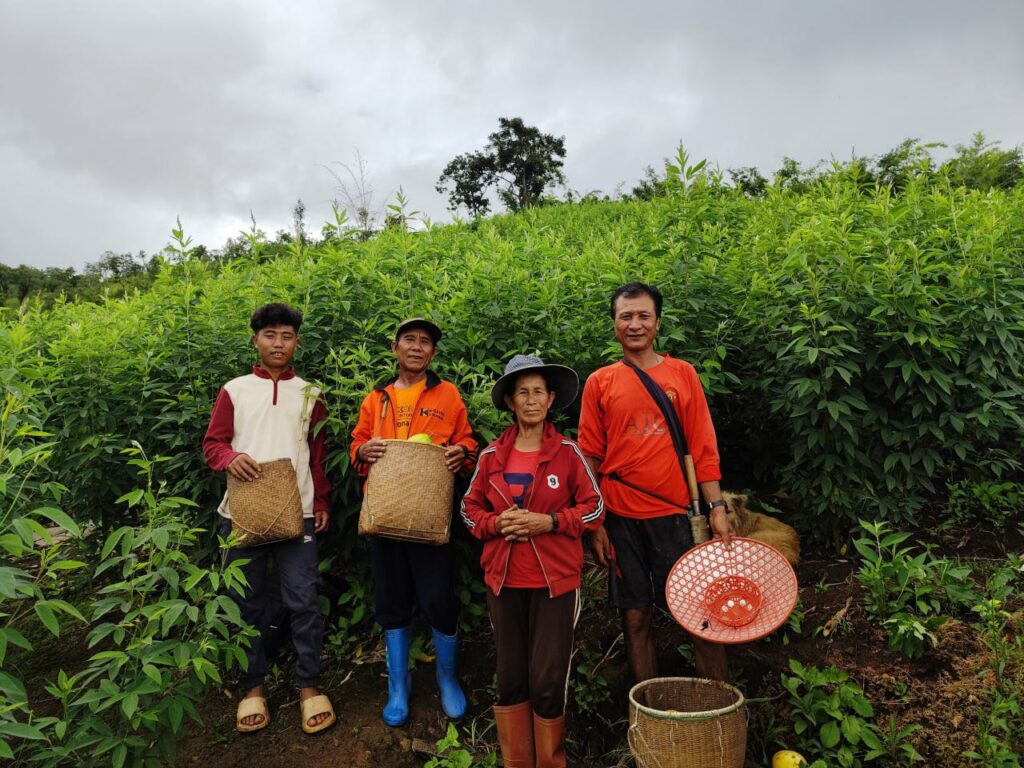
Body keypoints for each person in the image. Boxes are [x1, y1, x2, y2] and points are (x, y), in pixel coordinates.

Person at [577, 282, 734, 683]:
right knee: (635, 615)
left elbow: (703, 447)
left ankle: (716, 701)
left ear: (658, 323)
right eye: (626, 316)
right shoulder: (600, 381)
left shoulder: (682, 374)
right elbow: (589, 457)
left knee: (699, 613)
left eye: (644, 316)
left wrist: (717, 508)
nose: (635, 324)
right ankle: (645, 705)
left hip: (677, 515)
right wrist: (594, 524)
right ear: (614, 324)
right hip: (620, 517)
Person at [461, 355, 604, 768]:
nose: (530, 399)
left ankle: (550, 761)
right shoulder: (491, 456)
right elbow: (469, 510)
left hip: (555, 583)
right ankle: (517, 762)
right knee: (510, 678)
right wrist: (495, 523)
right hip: (504, 581)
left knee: (547, 680)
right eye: (522, 392)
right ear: (510, 402)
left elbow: (594, 508)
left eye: (538, 391)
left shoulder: (568, 453)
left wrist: (550, 521)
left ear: (551, 399)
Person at [203, 302, 335, 735]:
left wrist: (322, 501)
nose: (279, 343)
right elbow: (213, 444)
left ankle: (309, 685)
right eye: (270, 335)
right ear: (255, 340)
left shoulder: (311, 393)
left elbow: (318, 454)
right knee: (247, 600)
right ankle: (253, 686)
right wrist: (230, 457)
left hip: (299, 512)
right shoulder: (235, 390)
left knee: (304, 598)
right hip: (242, 513)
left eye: (287, 336)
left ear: (297, 342)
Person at [350, 318, 477, 726]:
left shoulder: (448, 394)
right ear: (395, 348)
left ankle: (447, 678)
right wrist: (362, 450)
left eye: (425, 342)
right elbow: (357, 443)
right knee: (391, 599)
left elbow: (468, 441)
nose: (417, 347)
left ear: (433, 353)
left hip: (428, 514)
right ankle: (398, 686)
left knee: (438, 597)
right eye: (409, 340)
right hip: (386, 513)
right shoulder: (377, 398)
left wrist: (462, 452)